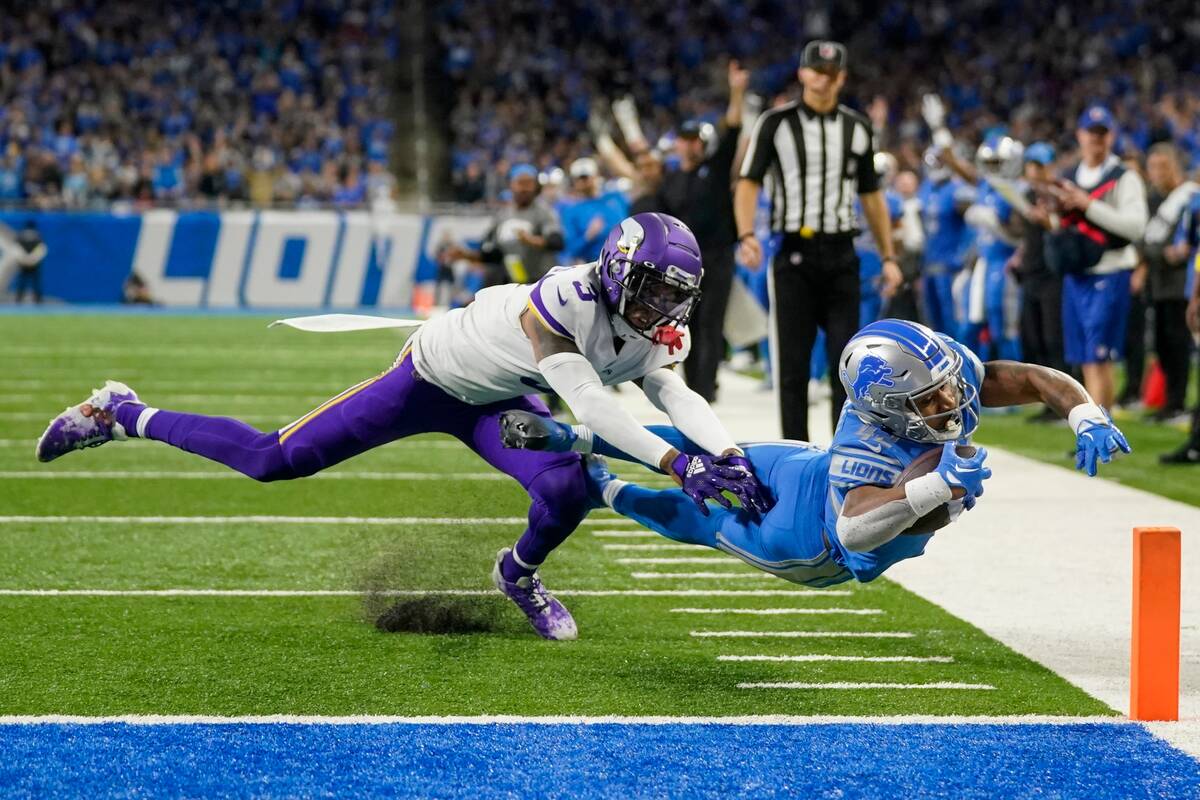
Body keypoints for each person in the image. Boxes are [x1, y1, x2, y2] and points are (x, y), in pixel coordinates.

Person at [35, 212, 768, 640]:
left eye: (671, 297)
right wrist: (677, 466)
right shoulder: (565, 300)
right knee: (275, 460)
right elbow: (595, 405)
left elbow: (672, 396)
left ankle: (517, 575)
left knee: (569, 490)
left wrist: (725, 452)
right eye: (648, 291)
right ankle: (121, 411)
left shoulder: (659, 329)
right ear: (615, 272)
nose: (657, 310)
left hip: (501, 398)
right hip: (427, 379)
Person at [500, 319, 1130, 586]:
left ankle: (586, 462)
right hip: (807, 538)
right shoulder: (869, 443)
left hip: (810, 473)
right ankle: (585, 462)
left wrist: (1084, 413)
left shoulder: (937, 378)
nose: (953, 404)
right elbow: (856, 531)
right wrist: (938, 488)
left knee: (714, 474)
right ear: (890, 407)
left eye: (950, 388)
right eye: (934, 399)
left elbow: (1028, 379)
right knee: (706, 504)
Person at [734, 40, 902, 442]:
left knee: (848, 364)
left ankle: (845, 454)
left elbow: (872, 196)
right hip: (794, 251)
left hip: (842, 252)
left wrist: (889, 255)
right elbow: (748, 182)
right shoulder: (775, 124)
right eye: (817, 72)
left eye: (831, 74)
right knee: (792, 365)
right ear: (803, 73)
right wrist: (746, 234)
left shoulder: (857, 128)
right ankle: (796, 454)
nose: (823, 80)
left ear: (841, 78)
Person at [652, 60, 749, 402]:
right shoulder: (671, 179)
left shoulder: (716, 169)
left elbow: (733, 132)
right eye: (684, 139)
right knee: (682, 324)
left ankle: (705, 390)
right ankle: (690, 388)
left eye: (694, 140)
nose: (688, 145)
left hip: (718, 257)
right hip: (682, 263)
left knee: (711, 323)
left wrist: (736, 92)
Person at [1042, 105, 1149, 409]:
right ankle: (1095, 424)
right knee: (1084, 358)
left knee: (1100, 357)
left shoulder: (1124, 177)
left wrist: (1087, 204)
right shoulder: (1070, 175)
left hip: (1110, 271)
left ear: (1111, 136)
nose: (1096, 140)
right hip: (1076, 273)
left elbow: (1135, 226)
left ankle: (1104, 427)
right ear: (1080, 135)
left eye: (1102, 134)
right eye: (1091, 133)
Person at [1135, 143, 1197, 421]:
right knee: (1161, 345)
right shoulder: (1152, 199)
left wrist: (1158, 252)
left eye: (1164, 166)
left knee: (1178, 344)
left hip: (1180, 285)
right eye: (1153, 167)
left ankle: (1178, 403)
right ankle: (1170, 403)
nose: (1158, 172)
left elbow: (1183, 247)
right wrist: (1160, 253)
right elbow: (1145, 242)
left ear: (1176, 167)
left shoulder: (1188, 197)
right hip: (1158, 285)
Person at [1010, 142, 1068, 421]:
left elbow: (1063, 231)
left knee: (1054, 339)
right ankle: (1049, 401)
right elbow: (1023, 234)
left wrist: (1047, 221)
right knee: (1034, 338)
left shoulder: (1060, 194)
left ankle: (1063, 403)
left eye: (1040, 166)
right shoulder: (1028, 195)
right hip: (1031, 272)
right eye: (1032, 165)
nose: (1035, 171)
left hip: (1053, 275)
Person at [446, 163, 565, 287]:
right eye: (520, 183)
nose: (524, 188)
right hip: (515, 283)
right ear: (511, 185)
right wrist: (466, 255)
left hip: (542, 283)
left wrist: (532, 240)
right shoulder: (502, 216)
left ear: (536, 186)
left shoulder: (544, 212)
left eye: (529, 183)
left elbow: (557, 242)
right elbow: (494, 255)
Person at [560, 158, 630, 263]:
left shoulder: (616, 197)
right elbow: (571, 250)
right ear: (574, 182)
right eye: (579, 178)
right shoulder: (571, 211)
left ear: (596, 175)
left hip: (627, 257)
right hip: (596, 264)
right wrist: (588, 236)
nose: (584, 181)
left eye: (586, 177)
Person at [12, 219, 47, 304]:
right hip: (33, 264)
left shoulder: (21, 236)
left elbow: (16, 249)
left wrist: (25, 258)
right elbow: (42, 249)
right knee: (30, 282)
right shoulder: (37, 236)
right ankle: (37, 300)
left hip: (26, 263)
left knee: (26, 282)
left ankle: (20, 299)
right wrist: (32, 258)